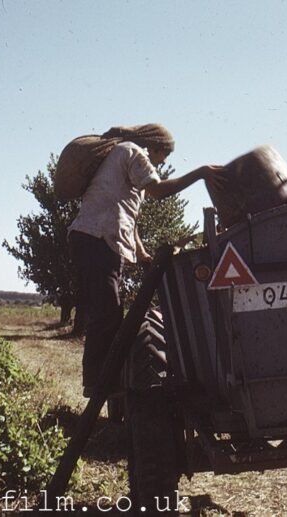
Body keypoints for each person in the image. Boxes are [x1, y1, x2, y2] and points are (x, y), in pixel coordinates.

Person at [67, 123, 223, 397]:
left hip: (93, 239)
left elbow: (128, 216)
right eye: (165, 156)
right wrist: (200, 173)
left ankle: (102, 379)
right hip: (97, 239)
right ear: (155, 147)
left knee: (108, 313)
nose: (163, 163)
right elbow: (159, 191)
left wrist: (140, 252)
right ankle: (97, 381)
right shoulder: (134, 152)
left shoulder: (121, 157)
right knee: (107, 314)